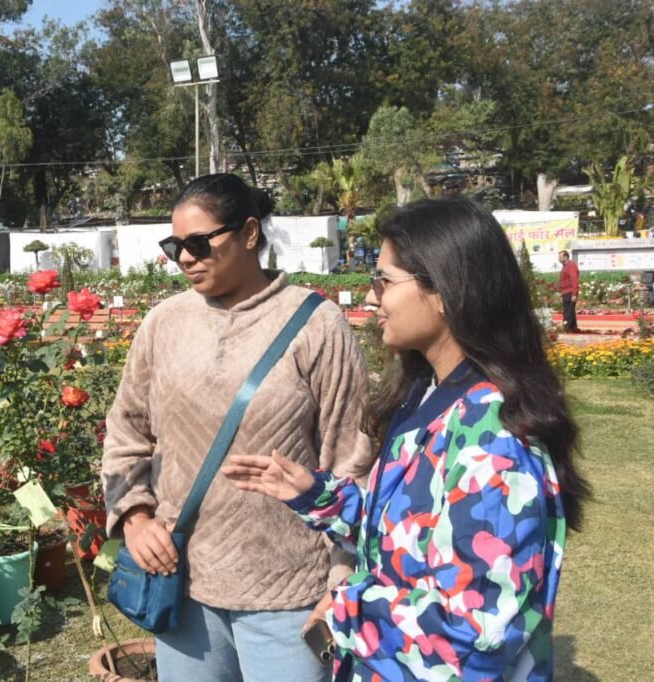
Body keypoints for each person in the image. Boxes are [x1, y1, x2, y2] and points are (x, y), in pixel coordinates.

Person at [224, 197, 590, 681]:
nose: (371, 298)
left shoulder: (493, 441)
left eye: (384, 281)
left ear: (445, 291)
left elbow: (476, 629)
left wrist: (345, 608)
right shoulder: (427, 395)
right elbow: (411, 535)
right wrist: (315, 495)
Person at [101, 173, 374, 682]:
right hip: (182, 585)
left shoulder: (316, 325)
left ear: (249, 233)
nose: (184, 258)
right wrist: (135, 517)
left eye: (199, 243)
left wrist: (340, 580)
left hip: (288, 593)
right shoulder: (164, 323)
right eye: (174, 246)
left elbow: (350, 459)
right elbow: (126, 432)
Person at [558, 249, 581, 333]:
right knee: (569, 309)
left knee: (568, 311)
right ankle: (573, 327)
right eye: (559, 257)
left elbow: (574, 280)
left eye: (561, 257)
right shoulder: (565, 266)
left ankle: (567, 327)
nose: (559, 259)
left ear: (566, 257)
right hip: (565, 292)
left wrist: (574, 293)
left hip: (570, 291)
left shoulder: (571, 265)